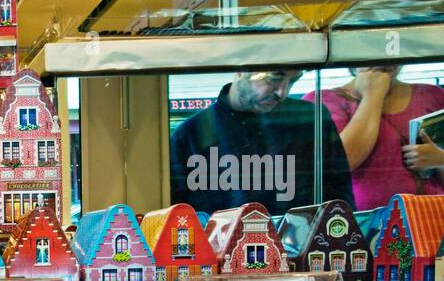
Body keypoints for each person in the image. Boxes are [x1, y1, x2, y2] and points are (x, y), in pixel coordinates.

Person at [171, 70, 353, 214]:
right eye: (274, 78)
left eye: (293, 81)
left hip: (301, 251)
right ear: (241, 70)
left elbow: (340, 196)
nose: (282, 92)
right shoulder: (190, 135)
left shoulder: (312, 119)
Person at [305, 66, 444, 209]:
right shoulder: (322, 101)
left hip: (429, 216)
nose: (383, 62)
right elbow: (344, 162)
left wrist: (440, 159)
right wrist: (373, 95)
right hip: (360, 221)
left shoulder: (433, 95)